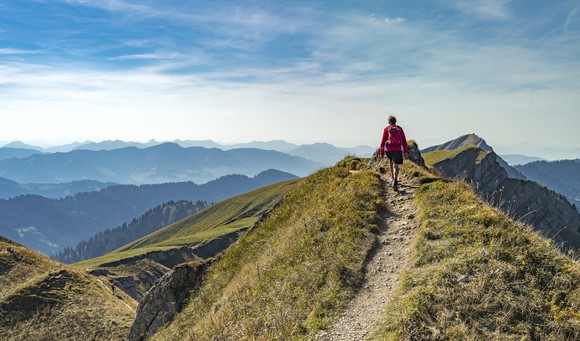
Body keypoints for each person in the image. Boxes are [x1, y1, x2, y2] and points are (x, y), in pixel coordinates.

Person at [379, 115, 408, 190]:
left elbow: (382, 141)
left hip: (389, 149)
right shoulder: (399, 129)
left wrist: (382, 152)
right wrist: (404, 152)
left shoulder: (386, 129)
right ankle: (395, 179)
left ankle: (392, 177)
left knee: (391, 161)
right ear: (395, 121)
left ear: (389, 122)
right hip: (398, 149)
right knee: (396, 165)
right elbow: (404, 141)